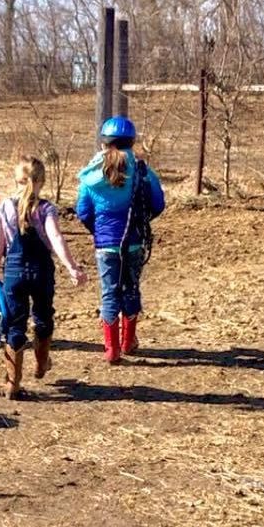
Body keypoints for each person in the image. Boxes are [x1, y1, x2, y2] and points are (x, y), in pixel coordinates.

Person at [0, 156, 87, 399]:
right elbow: (56, 239)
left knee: (14, 324)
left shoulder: (5, 208)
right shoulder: (46, 208)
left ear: (16, 180)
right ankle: (41, 365)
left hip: (14, 273)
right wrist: (72, 267)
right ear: (41, 181)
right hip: (41, 271)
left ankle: (12, 383)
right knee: (42, 317)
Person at [76, 115, 165, 364]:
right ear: (131, 141)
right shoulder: (142, 170)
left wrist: (98, 231)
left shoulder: (91, 173)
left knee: (109, 292)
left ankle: (111, 348)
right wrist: (141, 222)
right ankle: (128, 342)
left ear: (104, 142)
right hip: (134, 241)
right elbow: (158, 203)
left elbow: (83, 210)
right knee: (131, 288)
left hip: (105, 245)